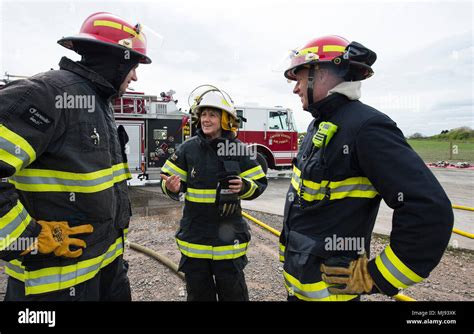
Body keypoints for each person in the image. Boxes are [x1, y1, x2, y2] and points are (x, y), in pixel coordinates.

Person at [279, 35, 454, 301]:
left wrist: (375, 276)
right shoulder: (319, 126)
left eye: (299, 77)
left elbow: (429, 211)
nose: (295, 88)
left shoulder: (366, 127)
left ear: (322, 73)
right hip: (299, 289)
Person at [0, 12, 152, 301]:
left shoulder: (99, 104)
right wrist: (27, 235)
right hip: (52, 286)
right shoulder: (48, 94)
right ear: (117, 60)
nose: (135, 76)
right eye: (133, 65)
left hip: (105, 271)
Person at [160, 85, 267, 301]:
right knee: (199, 295)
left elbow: (259, 182)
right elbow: (167, 180)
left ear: (226, 119)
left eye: (212, 115)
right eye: (203, 115)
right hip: (195, 240)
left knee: (233, 294)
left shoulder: (238, 149)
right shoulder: (187, 149)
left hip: (229, 243)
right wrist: (172, 187)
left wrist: (245, 186)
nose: (206, 120)